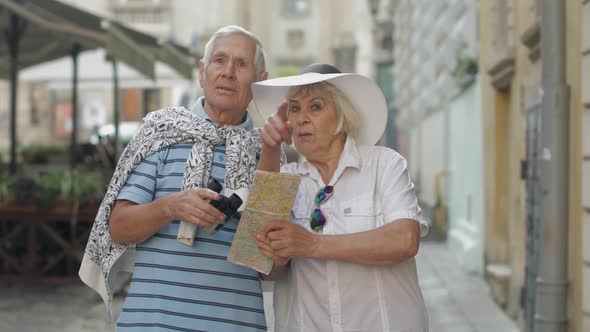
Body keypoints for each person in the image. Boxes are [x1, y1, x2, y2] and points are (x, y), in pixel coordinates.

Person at [79, 25, 272, 331]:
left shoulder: (269, 154)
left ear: (261, 80)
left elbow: (266, 268)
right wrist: (170, 207)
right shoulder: (161, 134)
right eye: (219, 60)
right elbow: (117, 229)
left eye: (242, 64)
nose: (228, 72)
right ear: (202, 72)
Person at [253, 64, 430, 331]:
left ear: (341, 116)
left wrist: (312, 245)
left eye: (315, 107)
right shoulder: (282, 177)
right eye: (294, 108)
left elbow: (405, 240)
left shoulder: (385, 164)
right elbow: (261, 267)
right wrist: (269, 148)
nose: (301, 118)